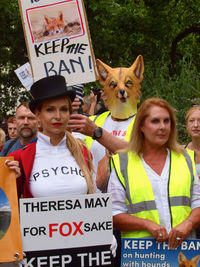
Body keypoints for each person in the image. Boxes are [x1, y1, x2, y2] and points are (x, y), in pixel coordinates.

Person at [6, 75, 116, 265]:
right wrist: (17, 245)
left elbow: (92, 198)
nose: (58, 116)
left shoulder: (82, 151)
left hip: (83, 252)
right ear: (38, 115)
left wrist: (105, 232)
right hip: (40, 255)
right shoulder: (20, 157)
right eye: (50, 110)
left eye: (64, 109)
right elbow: (9, 209)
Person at [108, 97, 200, 251]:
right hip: (143, 255)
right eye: (155, 121)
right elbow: (113, 214)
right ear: (141, 126)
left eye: (167, 121)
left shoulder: (185, 158)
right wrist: (145, 224)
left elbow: (197, 202)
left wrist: (188, 224)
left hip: (183, 253)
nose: (162, 127)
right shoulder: (122, 163)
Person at [185, 105, 200, 238]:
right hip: (189, 216)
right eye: (192, 121)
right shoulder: (179, 153)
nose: (196, 125)